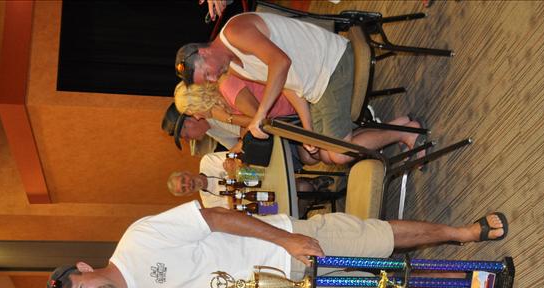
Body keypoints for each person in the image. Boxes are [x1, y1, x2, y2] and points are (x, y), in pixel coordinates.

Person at [44, 200, 508, 288]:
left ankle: (462, 233)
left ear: (84, 269)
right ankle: (463, 283)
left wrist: (286, 238)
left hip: (281, 248)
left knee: (376, 240)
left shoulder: (138, 239)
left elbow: (217, 217)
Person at [175, 12, 428, 164]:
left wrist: (260, 115)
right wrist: (307, 129)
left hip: (331, 64)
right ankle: (398, 125)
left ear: (204, 53)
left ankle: (406, 131)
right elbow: (288, 86)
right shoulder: (233, 66)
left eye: (206, 74)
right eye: (207, 80)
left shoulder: (235, 32)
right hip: (317, 86)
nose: (212, 79)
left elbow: (280, 63)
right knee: (321, 154)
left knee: (339, 155)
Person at [167, 151, 333, 207]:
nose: (188, 184)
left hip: (256, 174)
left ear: (186, 173)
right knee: (276, 210)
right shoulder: (208, 202)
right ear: (188, 194)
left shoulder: (207, 161)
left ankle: (310, 186)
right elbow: (234, 211)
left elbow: (235, 159)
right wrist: (232, 177)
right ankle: (310, 196)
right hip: (256, 204)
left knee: (300, 188)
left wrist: (233, 189)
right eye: (184, 188)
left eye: (183, 180)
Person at [161, 102, 240, 155]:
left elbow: (246, 130)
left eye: (187, 136)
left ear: (189, 122)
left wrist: (238, 148)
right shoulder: (208, 129)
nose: (188, 140)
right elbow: (234, 146)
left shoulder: (214, 113)